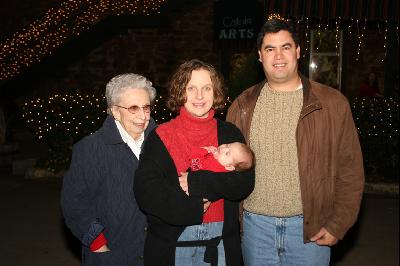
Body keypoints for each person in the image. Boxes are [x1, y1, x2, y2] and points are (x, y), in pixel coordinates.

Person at [226, 18, 365, 265]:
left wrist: (338, 224)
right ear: (260, 56)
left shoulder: (332, 104)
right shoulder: (241, 106)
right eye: (270, 49)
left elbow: (350, 170)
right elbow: (226, 169)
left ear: (298, 51)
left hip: (309, 231)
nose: (278, 56)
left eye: (286, 47)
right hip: (256, 230)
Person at [134, 59, 255, 266]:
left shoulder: (229, 133)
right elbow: (146, 191)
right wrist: (191, 208)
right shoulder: (161, 136)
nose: (199, 96)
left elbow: (243, 183)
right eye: (191, 88)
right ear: (181, 91)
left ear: (215, 92)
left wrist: (198, 182)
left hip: (221, 244)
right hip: (173, 243)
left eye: (207, 88)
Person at [61, 73, 157, 265]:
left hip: (156, 253)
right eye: (133, 108)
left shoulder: (163, 142)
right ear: (114, 111)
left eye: (146, 107)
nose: (142, 116)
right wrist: (98, 244)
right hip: (112, 255)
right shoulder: (90, 149)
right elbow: (74, 204)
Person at [189, 142, 255, 173]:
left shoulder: (214, 168)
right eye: (227, 145)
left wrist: (204, 150)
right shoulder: (220, 161)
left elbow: (193, 165)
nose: (223, 148)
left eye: (227, 153)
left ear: (229, 167)